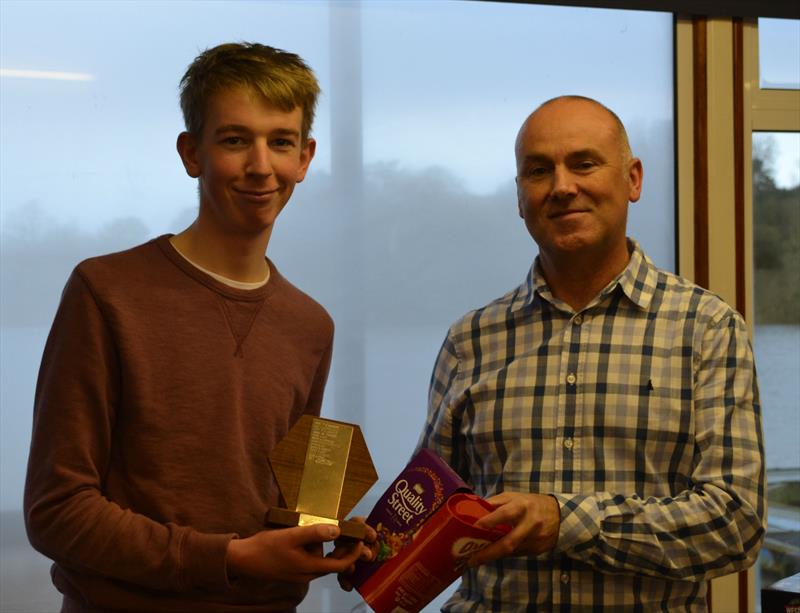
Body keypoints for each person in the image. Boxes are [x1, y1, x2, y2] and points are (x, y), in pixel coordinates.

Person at [24, 42, 371, 613]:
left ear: (305, 158)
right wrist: (230, 559)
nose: (261, 166)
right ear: (192, 153)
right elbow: (56, 510)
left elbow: (296, 504)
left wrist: (334, 536)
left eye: (280, 141)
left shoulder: (311, 326)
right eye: (236, 140)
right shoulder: (105, 291)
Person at [416, 95, 765, 611]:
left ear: (633, 179)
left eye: (583, 163)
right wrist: (364, 544)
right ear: (519, 196)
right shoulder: (471, 340)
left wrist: (567, 521)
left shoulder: (707, 329)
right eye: (539, 171)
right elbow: (431, 514)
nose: (561, 186)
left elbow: (736, 524)